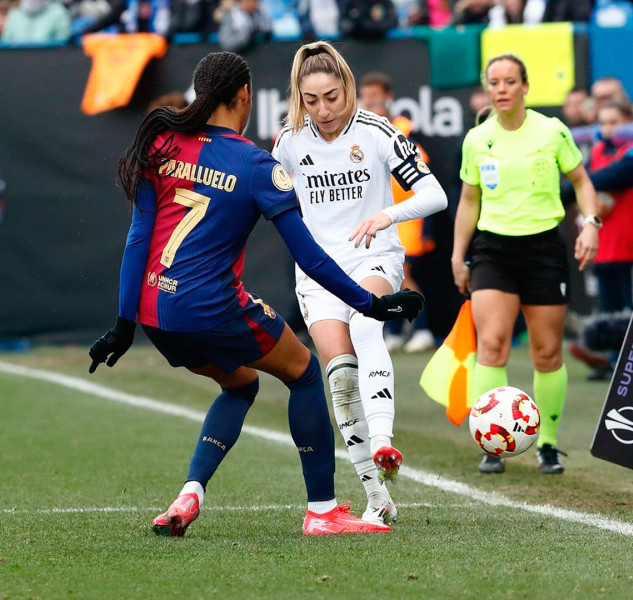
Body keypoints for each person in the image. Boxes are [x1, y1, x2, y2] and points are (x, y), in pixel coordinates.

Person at [88, 51, 424, 537]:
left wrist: (123, 326)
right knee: (306, 374)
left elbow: (139, 237)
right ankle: (323, 512)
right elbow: (310, 258)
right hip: (212, 308)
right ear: (244, 96)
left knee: (241, 384)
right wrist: (372, 304)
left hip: (155, 315)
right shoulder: (255, 165)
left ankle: (190, 494)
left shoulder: (160, 141)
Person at [272, 41, 447, 524]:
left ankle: (386, 442)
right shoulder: (288, 141)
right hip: (316, 272)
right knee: (341, 378)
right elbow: (275, 205)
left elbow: (434, 195)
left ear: (347, 89)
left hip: (372, 257)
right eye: (312, 100)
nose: (323, 109)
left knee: (368, 327)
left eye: (332, 96)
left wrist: (384, 215)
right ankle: (376, 497)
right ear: (298, 97)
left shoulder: (377, 131)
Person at [452, 53, 600, 475]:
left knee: (547, 352)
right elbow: (468, 200)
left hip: (543, 252)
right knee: (493, 345)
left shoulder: (552, 131)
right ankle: (491, 443)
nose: (501, 89)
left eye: (509, 81)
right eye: (493, 82)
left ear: (525, 87)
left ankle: (548, 445)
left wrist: (590, 224)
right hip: (493, 252)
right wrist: (457, 255)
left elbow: (582, 182)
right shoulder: (477, 139)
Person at [564, 101, 633, 380]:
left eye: (614, 121)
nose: (608, 128)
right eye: (603, 122)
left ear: (630, 122)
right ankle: (614, 362)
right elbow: (585, 180)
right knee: (610, 310)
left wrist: (579, 183)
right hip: (605, 245)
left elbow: (612, 176)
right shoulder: (597, 150)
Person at [358, 71, 437, 353]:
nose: (370, 103)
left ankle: (422, 327)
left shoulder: (404, 129)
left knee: (402, 273)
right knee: (383, 274)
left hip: (405, 214)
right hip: (376, 215)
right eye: (366, 98)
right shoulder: (361, 131)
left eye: (376, 97)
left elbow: (419, 167)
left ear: (388, 98)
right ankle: (393, 329)